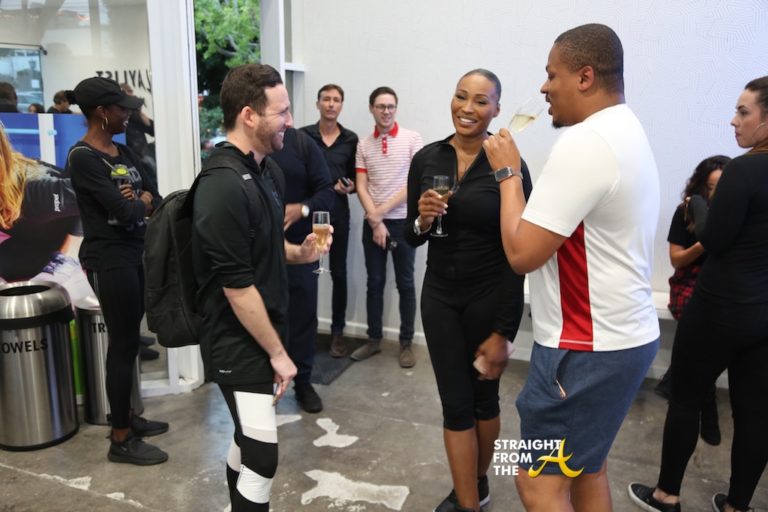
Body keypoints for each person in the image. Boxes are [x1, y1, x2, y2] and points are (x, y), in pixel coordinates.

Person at [480, 23, 661, 511]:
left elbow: (522, 254)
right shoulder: (626, 128)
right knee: (586, 468)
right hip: (623, 337)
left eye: (551, 74)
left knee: (537, 481)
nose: (544, 88)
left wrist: (507, 173)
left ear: (584, 77)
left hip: (584, 348)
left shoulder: (587, 143)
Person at [191, 63, 328, 511]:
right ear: (249, 115)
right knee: (263, 457)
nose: (290, 120)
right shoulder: (221, 185)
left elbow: (263, 249)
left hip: (262, 330)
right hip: (236, 340)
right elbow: (236, 286)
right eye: (281, 112)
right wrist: (279, 354)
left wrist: (300, 253)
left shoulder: (267, 172)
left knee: (248, 439)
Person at [628, 76, 768, 512]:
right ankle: (737, 506)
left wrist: (701, 206)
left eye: (743, 112)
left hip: (719, 308)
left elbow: (716, 239)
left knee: (687, 399)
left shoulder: (744, 169)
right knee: (755, 414)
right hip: (764, 313)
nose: (734, 120)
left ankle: (666, 495)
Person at [404, 69, 531, 512]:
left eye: (480, 101)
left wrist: (505, 329)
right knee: (455, 404)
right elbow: (412, 236)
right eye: (461, 96)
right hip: (439, 296)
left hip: (488, 296)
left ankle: (477, 483)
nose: (468, 108)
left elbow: (519, 250)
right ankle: (468, 503)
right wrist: (421, 219)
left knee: (483, 400)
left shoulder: (509, 165)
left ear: (496, 109)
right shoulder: (428, 158)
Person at [67, 76, 167, 465]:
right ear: (101, 112)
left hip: (133, 253)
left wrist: (138, 200)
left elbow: (153, 195)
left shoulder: (121, 151)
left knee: (130, 344)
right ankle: (121, 438)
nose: (128, 114)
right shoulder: (83, 158)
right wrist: (137, 203)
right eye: (122, 109)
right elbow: (125, 212)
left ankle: (129, 418)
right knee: (123, 346)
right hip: (109, 260)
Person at [655, 155, 730, 447]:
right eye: (710, 187)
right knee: (702, 323)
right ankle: (707, 409)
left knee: (707, 340)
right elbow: (677, 260)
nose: (715, 193)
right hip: (689, 284)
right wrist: (704, 241)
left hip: (721, 286)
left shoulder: (737, 213)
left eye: (721, 187)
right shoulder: (685, 213)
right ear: (700, 186)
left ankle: (677, 383)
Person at [352, 86, 423, 368]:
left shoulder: (412, 139)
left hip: (403, 223)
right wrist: (375, 221)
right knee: (375, 283)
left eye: (391, 106)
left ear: (396, 108)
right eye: (381, 106)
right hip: (373, 224)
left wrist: (378, 215)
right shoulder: (363, 145)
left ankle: (406, 343)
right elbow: (361, 185)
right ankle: (373, 340)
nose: (386, 111)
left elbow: (414, 183)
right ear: (372, 108)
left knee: (405, 284)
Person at [271, 127, 334, 413]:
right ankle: (263, 385)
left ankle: (304, 383)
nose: (284, 118)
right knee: (265, 318)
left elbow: (327, 192)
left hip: (301, 247)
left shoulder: (302, 144)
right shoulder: (250, 151)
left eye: (286, 110)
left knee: (303, 317)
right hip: (261, 251)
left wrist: (303, 209)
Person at [0, 124, 92, 302]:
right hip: (36, 241)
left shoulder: (34, 191)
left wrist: (68, 253)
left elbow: (90, 195)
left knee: (45, 299)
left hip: (80, 245)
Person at [300, 84, 359, 358]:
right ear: (318, 104)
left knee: (339, 273)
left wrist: (350, 186)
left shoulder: (350, 139)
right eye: (326, 99)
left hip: (338, 213)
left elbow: (356, 179)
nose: (331, 104)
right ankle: (306, 331)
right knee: (307, 272)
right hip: (311, 214)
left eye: (336, 100)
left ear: (341, 105)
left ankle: (337, 333)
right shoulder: (302, 136)